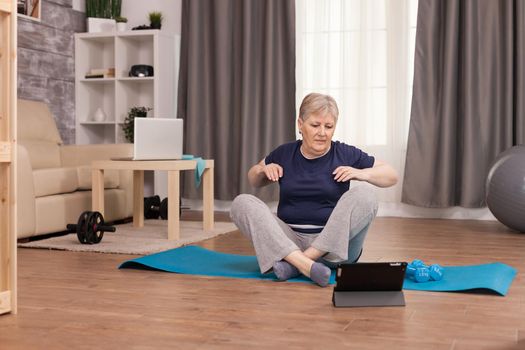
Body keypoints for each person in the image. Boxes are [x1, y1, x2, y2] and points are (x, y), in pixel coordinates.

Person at [230, 93, 398, 287]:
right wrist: (263, 169)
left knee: (366, 194)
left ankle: (296, 265)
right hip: (289, 241)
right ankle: (306, 264)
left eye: (328, 127)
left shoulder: (344, 152)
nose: (322, 133)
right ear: (300, 125)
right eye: (315, 125)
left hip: (335, 250)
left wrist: (362, 173)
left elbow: (391, 174)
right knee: (241, 203)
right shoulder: (284, 153)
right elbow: (254, 179)